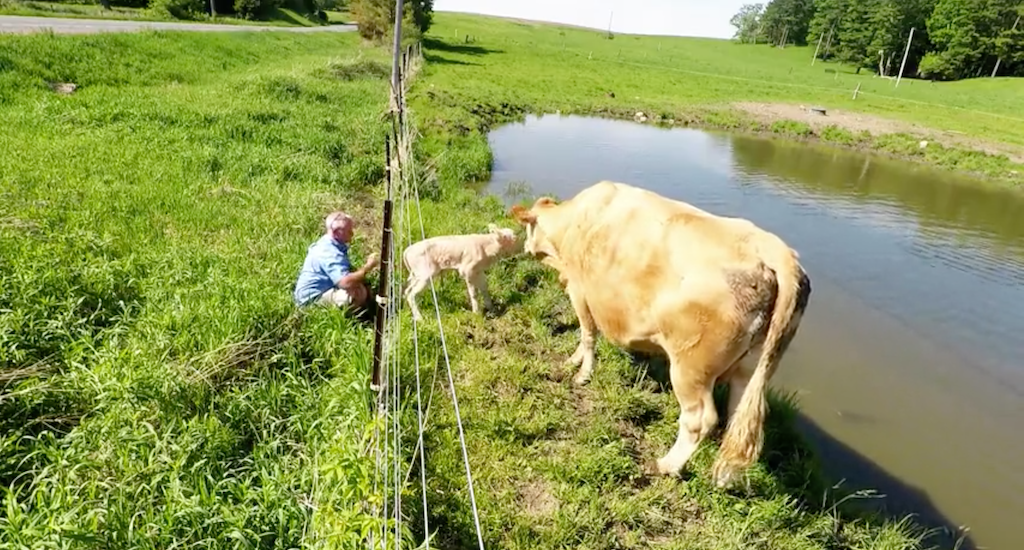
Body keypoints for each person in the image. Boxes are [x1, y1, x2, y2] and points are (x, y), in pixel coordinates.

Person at [293, 210, 380, 311]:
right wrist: (368, 267)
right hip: (311, 299)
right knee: (357, 292)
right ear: (337, 233)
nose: (352, 233)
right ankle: (355, 317)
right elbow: (345, 282)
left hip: (315, 292)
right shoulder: (330, 252)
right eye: (348, 231)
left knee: (360, 283)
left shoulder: (327, 243)